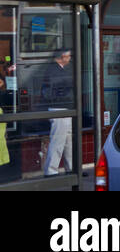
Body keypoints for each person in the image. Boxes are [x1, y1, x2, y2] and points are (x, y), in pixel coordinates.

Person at [41, 49, 73, 177]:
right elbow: (55, 90)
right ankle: (51, 171)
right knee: (58, 140)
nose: (70, 58)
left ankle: (71, 168)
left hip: (65, 108)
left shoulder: (58, 69)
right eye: (69, 56)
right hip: (59, 108)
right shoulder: (54, 70)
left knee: (68, 141)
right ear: (62, 57)